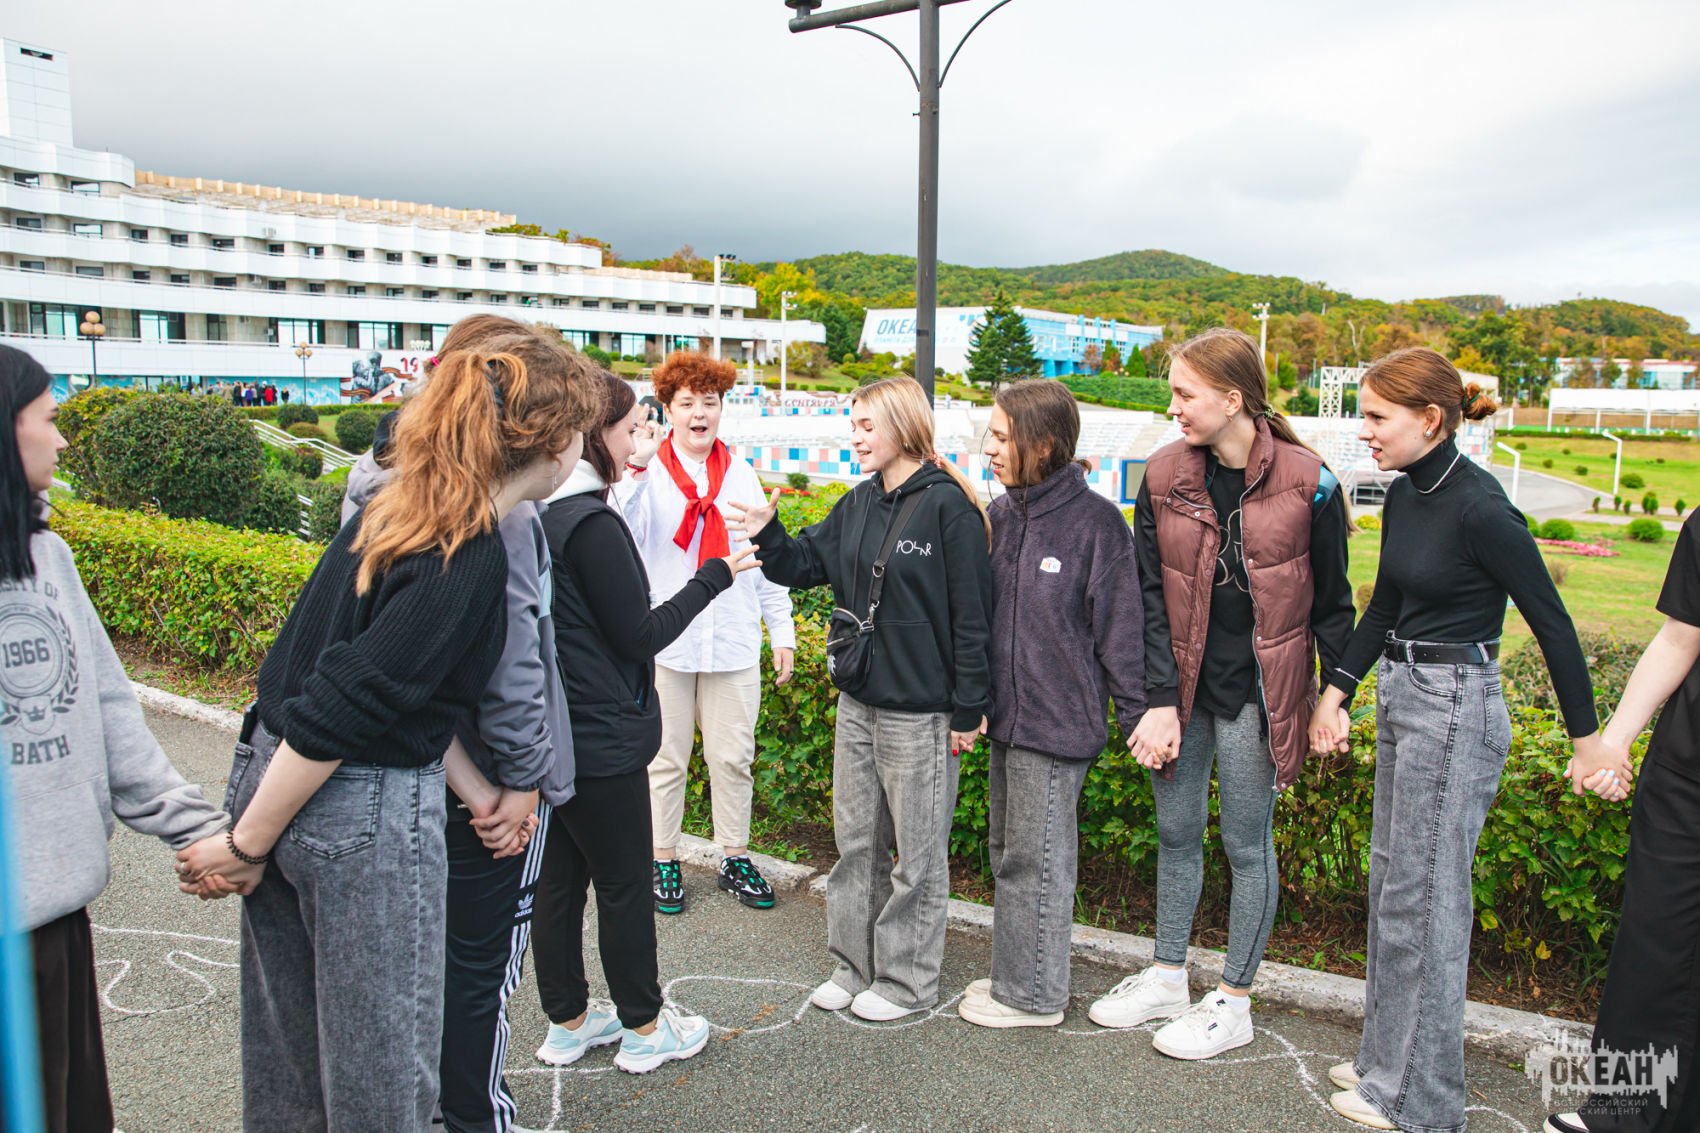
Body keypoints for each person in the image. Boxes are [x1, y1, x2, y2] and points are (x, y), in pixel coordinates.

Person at [177, 327, 600, 1132]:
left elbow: (397, 682)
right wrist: (243, 845)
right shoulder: (469, 548)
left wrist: (259, 826)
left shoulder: (402, 504)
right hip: (354, 807)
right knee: (384, 1083)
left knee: (291, 1072)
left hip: (277, 770)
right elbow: (349, 702)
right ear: (552, 442)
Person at [1310, 347, 1627, 1133]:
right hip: (1405, 692)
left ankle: (1421, 1100)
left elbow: (1552, 623)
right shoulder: (1408, 492)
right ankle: (1386, 1062)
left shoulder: (1482, 507)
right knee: (1393, 887)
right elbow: (1384, 607)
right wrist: (1336, 692)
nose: (1364, 430)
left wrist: (1588, 742)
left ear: (1430, 419)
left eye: (1377, 416)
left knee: (1427, 900)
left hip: (1456, 704)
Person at [336, 315, 583, 1133]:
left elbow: (396, 664)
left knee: (415, 971)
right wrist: (519, 782)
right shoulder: (502, 512)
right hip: (490, 792)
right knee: (479, 978)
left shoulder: (383, 482)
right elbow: (513, 662)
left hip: (416, 774)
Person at [1089, 328, 1355, 1059]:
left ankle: (1234, 1002)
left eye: (1185, 393)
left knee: (1245, 843)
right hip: (1181, 692)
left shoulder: (1312, 483)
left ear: (1233, 399)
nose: (1172, 407)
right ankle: (1167, 976)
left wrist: (1335, 699)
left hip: (1257, 697)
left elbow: (1335, 608)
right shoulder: (1162, 474)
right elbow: (1147, 597)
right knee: (1176, 834)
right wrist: (1156, 700)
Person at [0, 343, 234, 1133]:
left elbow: (109, 713)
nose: (62, 439)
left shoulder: (47, 557)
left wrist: (204, 831)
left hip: (52, 922)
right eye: (48, 419)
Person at [725, 376, 993, 1022]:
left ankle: (906, 980)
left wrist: (968, 709)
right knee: (856, 846)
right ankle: (853, 965)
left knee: (917, 857)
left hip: (921, 712)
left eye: (867, 425)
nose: (856, 437)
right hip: (859, 704)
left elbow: (973, 619)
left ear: (903, 425)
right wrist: (768, 532)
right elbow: (803, 565)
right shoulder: (858, 501)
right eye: (854, 425)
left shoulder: (948, 507)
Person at [531, 369, 760, 1074]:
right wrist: (714, 576)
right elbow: (639, 634)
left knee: (559, 882)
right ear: (594, 433)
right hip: (601, 732)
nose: (640, 442)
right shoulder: (592, 523)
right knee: (625, 883)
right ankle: (644, 1025)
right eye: (631, 429)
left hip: (553, 727)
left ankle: (568, 1020)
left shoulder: (541, 512)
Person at [958, 379, 1147, 1029]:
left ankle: (1033, 996)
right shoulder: (1003, 514)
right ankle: (1019, 975)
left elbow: (1122, 631)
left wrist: (1139, 717)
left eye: (1001, 437)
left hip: (1058, 727)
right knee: (1008, 854)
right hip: (1007, 723)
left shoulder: (1097, 523)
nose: (990, 448)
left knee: (1037, 865)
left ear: (1042, 444)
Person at [619, 351, 796, 915]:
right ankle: (662, 857)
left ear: (722, 408)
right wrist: (637, 471)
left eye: (709, 402)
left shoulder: (740, 473)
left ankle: (734, 856)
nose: (699, 413)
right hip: (667, 641)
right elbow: (623, 538)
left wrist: (782, 630)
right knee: (664, 759)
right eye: (687, 403)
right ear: (668, 410)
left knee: (733, 757)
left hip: (733, 638)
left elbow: (764, 555)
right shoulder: (646, 473)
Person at [1546, 510, 1700, 1133]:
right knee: (1653, 944)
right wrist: (1611, 744)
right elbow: (1680, 638)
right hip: (1686, 776)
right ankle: (1622, 1114)